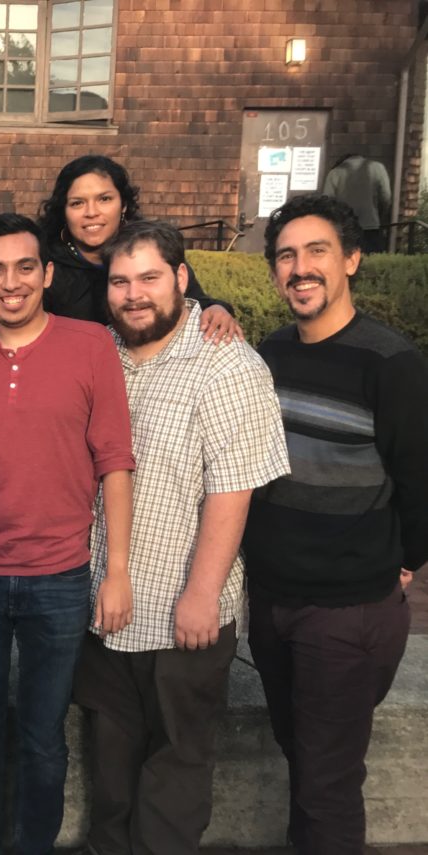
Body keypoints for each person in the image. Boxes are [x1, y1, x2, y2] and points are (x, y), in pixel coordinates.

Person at [73, 220, 289, 855]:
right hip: (105, 607)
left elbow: (234, 485)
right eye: (120, 281)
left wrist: (203, 593)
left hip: (182, 611)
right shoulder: (99, 354)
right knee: (109, 771)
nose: (134, 294)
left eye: (148, 278)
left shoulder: (226, 362)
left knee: (176, 767)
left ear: (181, 278)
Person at [0, 213, 136, 855]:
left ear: (47, 274)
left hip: (60, 574)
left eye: (25, 267)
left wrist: (118, 570)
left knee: (45, 732)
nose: (10, 283)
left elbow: (115, 459)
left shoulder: (92, 344)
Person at [243, 193, 428, 855]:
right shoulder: (271, 353)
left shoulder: (390, 363)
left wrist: (401, 559)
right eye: (286, 255)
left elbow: (420, 482)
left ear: (351, 258)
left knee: (327, 782)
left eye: (316, 250)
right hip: (272, 602)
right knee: (305, 759)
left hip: (346, 612)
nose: (300, 267)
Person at [35, 154, 242, 341]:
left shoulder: (151, 250)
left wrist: (217, 308)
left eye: (104, 199)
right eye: (77, 203)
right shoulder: (44, 262)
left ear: (123, 204)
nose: (91, 212)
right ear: (63, 210)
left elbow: (195, 300)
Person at [322, 153, 392, 254]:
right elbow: (386, 197)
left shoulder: (335, 173)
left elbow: (327, 202)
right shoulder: (378, 168)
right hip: (371, 225)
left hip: (344, 227)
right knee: (371, 260)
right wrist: (380, 214)